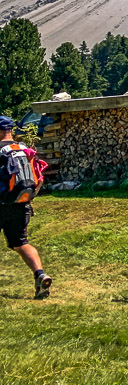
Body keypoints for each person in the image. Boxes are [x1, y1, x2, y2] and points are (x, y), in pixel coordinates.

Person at [0, 116, 51, 299]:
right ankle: (40, 274)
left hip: (2, 203)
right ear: (11, 130)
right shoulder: (25, 150)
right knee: (21, 243)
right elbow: (38, 177)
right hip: (21, 204)